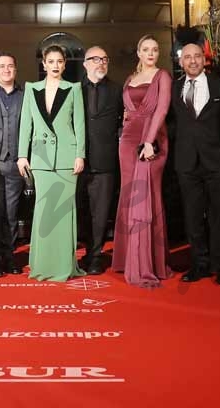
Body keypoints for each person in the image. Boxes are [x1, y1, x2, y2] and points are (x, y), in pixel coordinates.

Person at [17, 45, 86, 282]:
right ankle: (43, 264)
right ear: (43, 64)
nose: (55, 65)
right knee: (44, 212)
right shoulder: (31, 89)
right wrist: (21, 155)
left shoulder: (74, 89)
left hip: (67, 159)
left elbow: (79, 124)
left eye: (59, 61)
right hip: (41, 159)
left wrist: (80, 154)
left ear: (65, 64)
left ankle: (64, 265)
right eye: (51, 61)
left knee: (65, 212)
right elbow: (26, 124)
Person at [111, 34, 173, 287]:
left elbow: (162, 109)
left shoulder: (163, 76)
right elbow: (126, 112)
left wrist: (149, 141)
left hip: (152, 139)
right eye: (146, 49)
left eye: (155, 49)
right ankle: (129, 258)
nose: (150, 53)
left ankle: (150, 262)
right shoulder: (130, 79)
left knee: (147, 195)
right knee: (129, 195)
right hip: (127, 141)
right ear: (138, 52)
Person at [171, 43, 220, 285]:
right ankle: (199, 265)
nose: (193, 61)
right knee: (192, 216)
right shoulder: (174, 88)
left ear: (204, 59)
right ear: (181, 62)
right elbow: (168, 122)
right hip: (186, 161)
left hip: (216, 160)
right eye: (188, 57)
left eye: (197, 56)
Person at [78, 45, 123, 275]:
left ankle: (96, 256)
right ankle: (83, 253)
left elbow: (125, 121)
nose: (101, 63)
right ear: (85, 63)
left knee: (101, 213)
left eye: (104, 59)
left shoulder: (117, 90)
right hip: (78, 161)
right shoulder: (74, 89)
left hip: (106, 161)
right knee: (81, 212)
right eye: (95, 59)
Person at [0, 52, 26, 277]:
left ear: (15, 69)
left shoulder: (26, 95)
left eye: (10, 66)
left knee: (11, 213)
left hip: (16, 163)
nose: (6, 70)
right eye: (2, 66)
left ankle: (10, 257)